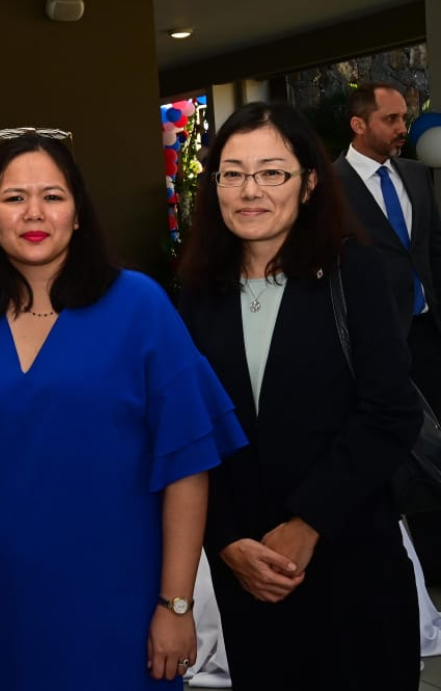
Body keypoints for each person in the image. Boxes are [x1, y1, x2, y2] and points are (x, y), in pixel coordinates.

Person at [0, 132, 244, 690]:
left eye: (53, 196)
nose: (34, 212)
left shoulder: (139, 306)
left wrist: (176, 605)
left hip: (123, 605)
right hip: (1, 607)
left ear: (79, 214)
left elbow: (187, 463)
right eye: (14, 198)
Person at [178, 101, 421, 690]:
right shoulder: (192, 291)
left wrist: (308, 522)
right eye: (232, 173)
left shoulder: (354, 273)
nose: (249, 190)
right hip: (248, 570)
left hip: (349, 557)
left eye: (271, 172)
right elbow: (190, 429)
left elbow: (392, 410)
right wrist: (226, 539)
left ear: (309, 182)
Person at [334, 82, 441, 581]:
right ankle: (419, 567)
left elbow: (432, 251)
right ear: (359, 125)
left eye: (405, 119)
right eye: (392, 120)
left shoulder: (418, 176)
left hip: (428, 331)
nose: (403, 129)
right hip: (376, 340)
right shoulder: (330, 185)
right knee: (403, 450)